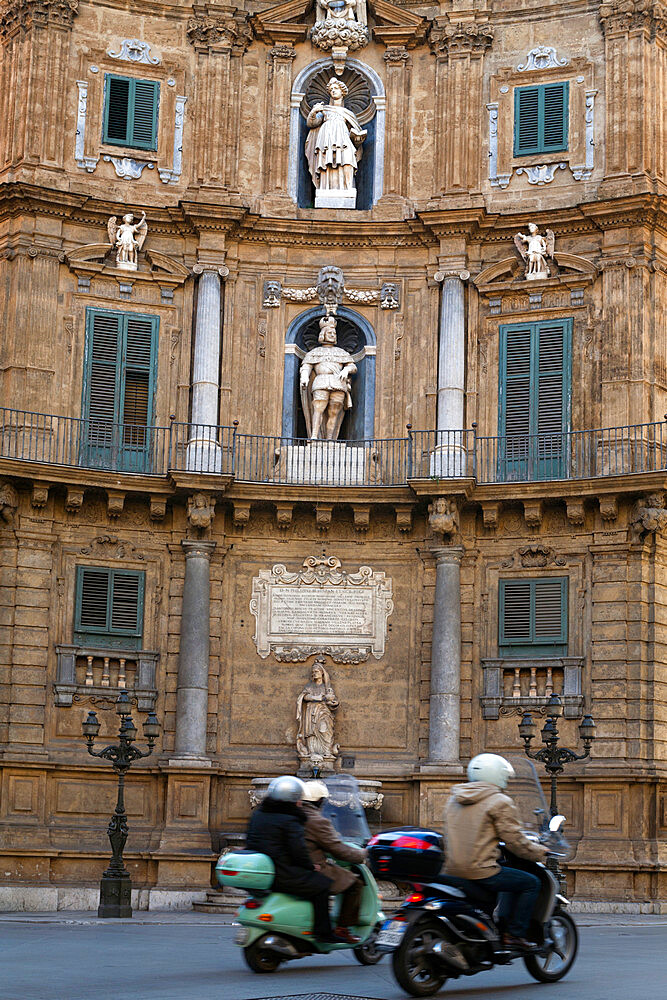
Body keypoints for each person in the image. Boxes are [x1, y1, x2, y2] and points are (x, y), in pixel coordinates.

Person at [443, 753, 549, 950]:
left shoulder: (455, 799)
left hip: (451, 870)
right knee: (531, 883)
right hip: (481, 870)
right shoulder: (499, 801)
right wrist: (540, 851)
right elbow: (515, 842)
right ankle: (515, 934)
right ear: (497, 775)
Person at [246, 774, 338, 942]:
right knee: (322, 885)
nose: (301, 802)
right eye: (299, 799)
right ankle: (323, 933)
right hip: (283, 872)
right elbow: (298, 850)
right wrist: (311, 867)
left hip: (263, 870)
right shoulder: (290, 819)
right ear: (294, 800)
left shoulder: (259, 814)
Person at [301, 780, 368, 945]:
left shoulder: (295, 815)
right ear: (319, 801)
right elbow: (337, 849)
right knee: (355, 884)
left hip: (298, 865)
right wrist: (362, 855)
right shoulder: (317, 821)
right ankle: (342, 928)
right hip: (315, 867)